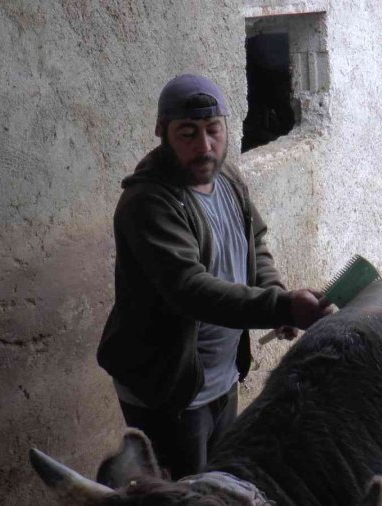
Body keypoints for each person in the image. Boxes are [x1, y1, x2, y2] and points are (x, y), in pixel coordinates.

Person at [97, 74, 331, 480]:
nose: (204, 146)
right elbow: (190, 290)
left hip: (220, 377)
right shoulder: (148, 202)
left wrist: (272, 291)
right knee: (188, 491)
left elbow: (254, 242)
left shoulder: (229, 180)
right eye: (187, 133)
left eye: (213, 131)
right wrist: (282, 305)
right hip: (169, 391)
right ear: (162, 133)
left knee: (221, 481)